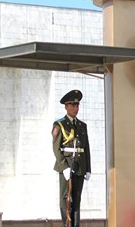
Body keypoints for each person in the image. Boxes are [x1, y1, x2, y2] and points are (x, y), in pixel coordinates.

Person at [52, 90, 91, 227]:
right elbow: (56, 149)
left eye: (77, 105)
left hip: (80, 166)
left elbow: (86, 149)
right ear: (66, 107)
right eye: (72, 105)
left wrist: (88, 169)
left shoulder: (82, 125)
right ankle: (67, 224)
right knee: (66, 198)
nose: (75, 108)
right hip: (67, 165)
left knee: (77, 198)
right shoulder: (59, 124)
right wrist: (64, 167)